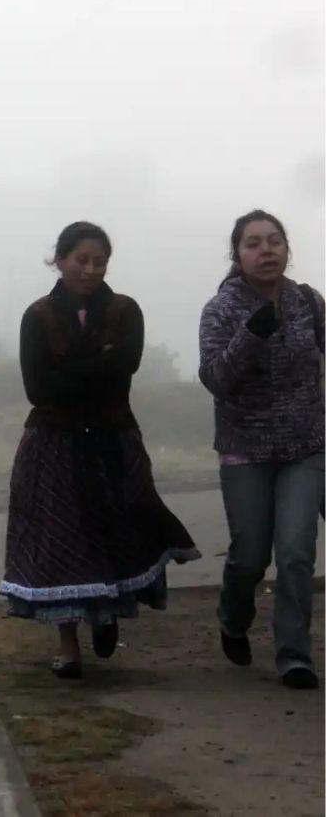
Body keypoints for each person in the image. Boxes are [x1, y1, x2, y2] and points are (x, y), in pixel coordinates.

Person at [0, 222, 200, 679]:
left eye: (99, 262)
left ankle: (107, 613)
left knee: (119, 527)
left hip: (113, 440)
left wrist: (71, 369)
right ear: (60, 260)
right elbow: (39, 389)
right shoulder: (38, 316)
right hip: (52, 445)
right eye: (81, 260)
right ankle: (68, 644)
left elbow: (125, 366)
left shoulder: (125, 311)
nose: (90, 270)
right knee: (60, 539)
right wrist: (99, 362)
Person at [198, 210, 324, 691]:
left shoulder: (308, 302)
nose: (266, 250)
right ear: (237, 254)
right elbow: (216, 379)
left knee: (294, 552)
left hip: (305, 449)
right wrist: (252, 334)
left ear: (287, 248)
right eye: (253, 243)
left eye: (274, 241)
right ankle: (233, 617)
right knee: (250, 557)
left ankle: (294, 655)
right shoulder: (221, 309)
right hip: (244, 452)